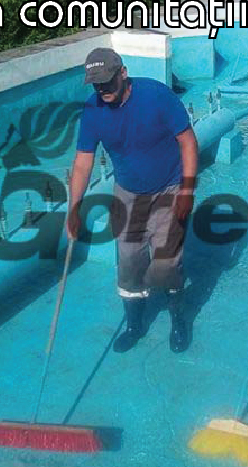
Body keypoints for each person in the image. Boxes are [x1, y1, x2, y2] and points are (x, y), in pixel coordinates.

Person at [67, 48, 199, 353]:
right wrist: (74, 207)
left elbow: (188, 142)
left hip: (168, 188)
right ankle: (134, 325)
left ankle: (178, 319)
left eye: (107, 81)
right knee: (129, 263)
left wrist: (187, 191)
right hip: (127, 194)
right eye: (96, 84)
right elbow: (83, 161)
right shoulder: (93, 110)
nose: (102, 89)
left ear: (123, 73)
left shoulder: (157, 96)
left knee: (166, 263)